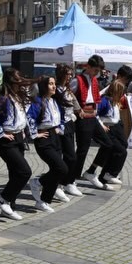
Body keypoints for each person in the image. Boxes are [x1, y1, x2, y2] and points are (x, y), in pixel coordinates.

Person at [0, 67, 35, 219]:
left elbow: (23, 115)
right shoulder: (2, 99)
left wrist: (24, 130)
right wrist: (1, 133)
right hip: (7, 141)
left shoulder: (18, 97)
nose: (20, 81)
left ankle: (8, 206)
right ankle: (3, 198)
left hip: (18, 138)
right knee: (25, 171)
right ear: (10, 81)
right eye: (17, 79)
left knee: (15, 173)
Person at [69, 55, 118, 190]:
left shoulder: (94, 80)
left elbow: (96, 98)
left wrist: (98, 119)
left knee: (108, 144)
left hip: (93, 117)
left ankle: (91, 171)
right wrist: (76, 109)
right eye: (95, 70)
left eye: (98, 71)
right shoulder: (77, 80)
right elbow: (68, 96)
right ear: (88, 67)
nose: (97, 73)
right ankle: (71, 180)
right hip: (83, 117)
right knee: (82, 150)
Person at [27, 75, 70, 212]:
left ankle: (43, 201)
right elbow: (29, 118)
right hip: (44, 138)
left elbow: (62, 117)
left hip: (55, 136)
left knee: (56, 170)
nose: (54, 86)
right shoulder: (38, 102)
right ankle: (38, 182)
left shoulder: (55, 101)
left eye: (54, 83)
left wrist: (59, 128)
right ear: (44, 86)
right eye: (50, 84)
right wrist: (35, 134)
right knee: (61, 168)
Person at [54, 64, 82, 197]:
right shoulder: (56, 90)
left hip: (70, 123)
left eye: (71, 74)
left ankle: (68, 182)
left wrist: (78, 110)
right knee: (67, 156)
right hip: (60, 125)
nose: (70, 76)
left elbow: (74, 103)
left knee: (71, 156)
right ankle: (59, 183)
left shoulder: (68, 89)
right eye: (68, 74)